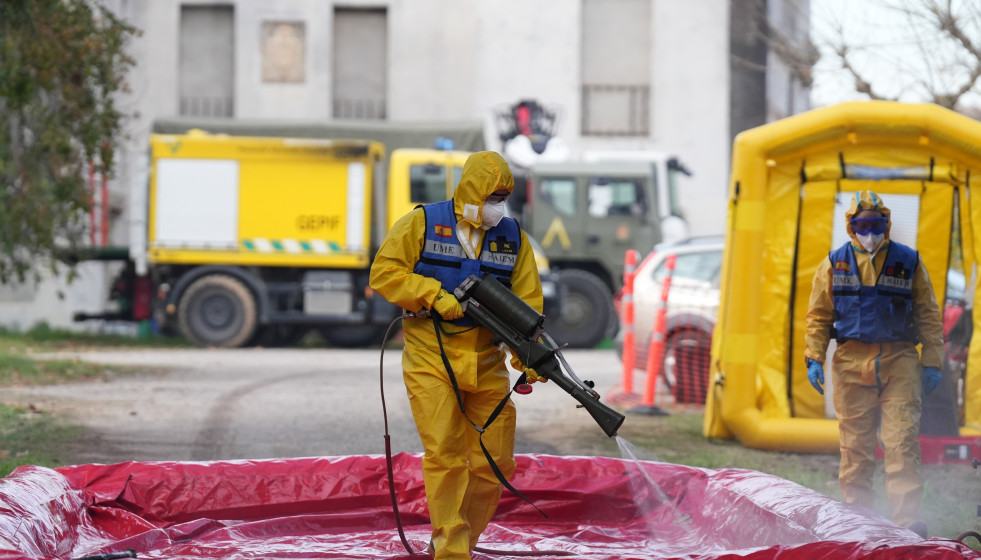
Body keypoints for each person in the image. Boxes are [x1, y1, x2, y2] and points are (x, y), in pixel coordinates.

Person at [369, 151, 544, 560]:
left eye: (503, 196)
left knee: (495, 461)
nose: (498, 205)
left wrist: (528, 359)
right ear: (471, 190)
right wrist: (433, 294)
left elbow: (527, 306)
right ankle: (450, 548)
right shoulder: (422, 222)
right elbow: (385, 272)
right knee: (445, 455)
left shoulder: (512, 237)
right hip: (432, 357)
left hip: (486, 361)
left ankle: (464, 539)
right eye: (492, 196)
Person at [804, 190, 944, 538]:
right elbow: (818, 317)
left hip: (899, 360)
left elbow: (928, 313)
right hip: (851, 361)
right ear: (851, 226)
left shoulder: (909, 261)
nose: (870, 233)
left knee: (901, 443)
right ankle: (857, 523)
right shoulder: (833, 263)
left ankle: (908, 523)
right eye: (862, 225)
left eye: (876, 225)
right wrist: (814, 357)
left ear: (887, 224)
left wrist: (932, 360)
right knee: (855, 447)